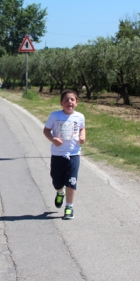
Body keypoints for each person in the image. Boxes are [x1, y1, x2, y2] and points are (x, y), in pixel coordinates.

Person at [42, 89, 86, 220]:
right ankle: (60, 192)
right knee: (57, 182)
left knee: (72, 182)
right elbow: (46, 130)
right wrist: (53, 139)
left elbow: (82, 127)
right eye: (66, 100)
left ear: (76, 102)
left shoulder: (80, 116)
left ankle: (69, 207)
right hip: (58, 154)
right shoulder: (55, 116)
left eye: (72, 100)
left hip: (74, 154)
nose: (69, 102)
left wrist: (83, 136)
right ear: (61, 103)